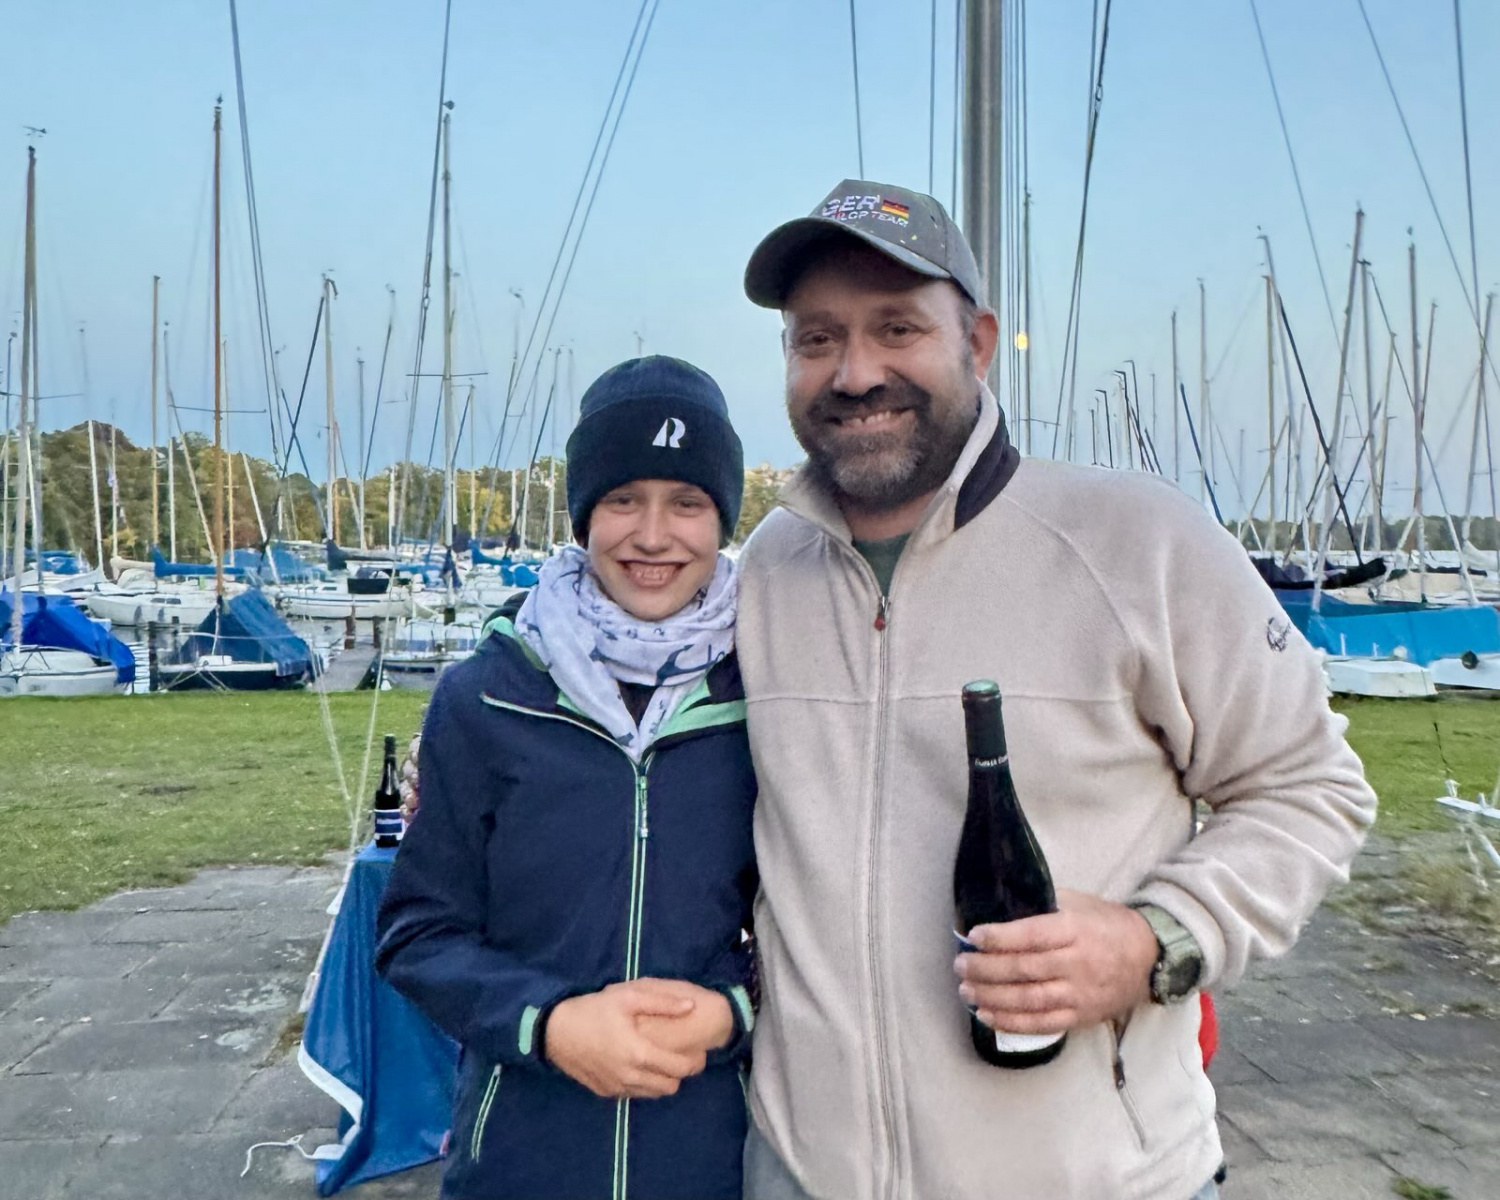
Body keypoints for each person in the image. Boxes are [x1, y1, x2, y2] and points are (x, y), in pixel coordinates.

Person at [731, 180, 1377, 1200]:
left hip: (1102, 1179)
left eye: (898, 328)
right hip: (800, 1174)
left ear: (978, 343)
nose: (855, 373)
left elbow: (1309, 788)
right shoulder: (764, 571)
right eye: (817, 339)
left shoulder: (1138, 541)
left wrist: (1153, 939)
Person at [376, 356, 757, 1200]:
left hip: (714, 1163)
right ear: (584, 514)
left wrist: (732, 1011)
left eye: (687, 502)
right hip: (518, 1162)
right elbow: (416, 933)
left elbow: (803, 926)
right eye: (622, 499)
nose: (652, 535)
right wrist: (547, 1025)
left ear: (722, 518)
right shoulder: (484, 696)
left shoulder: (767, 695)